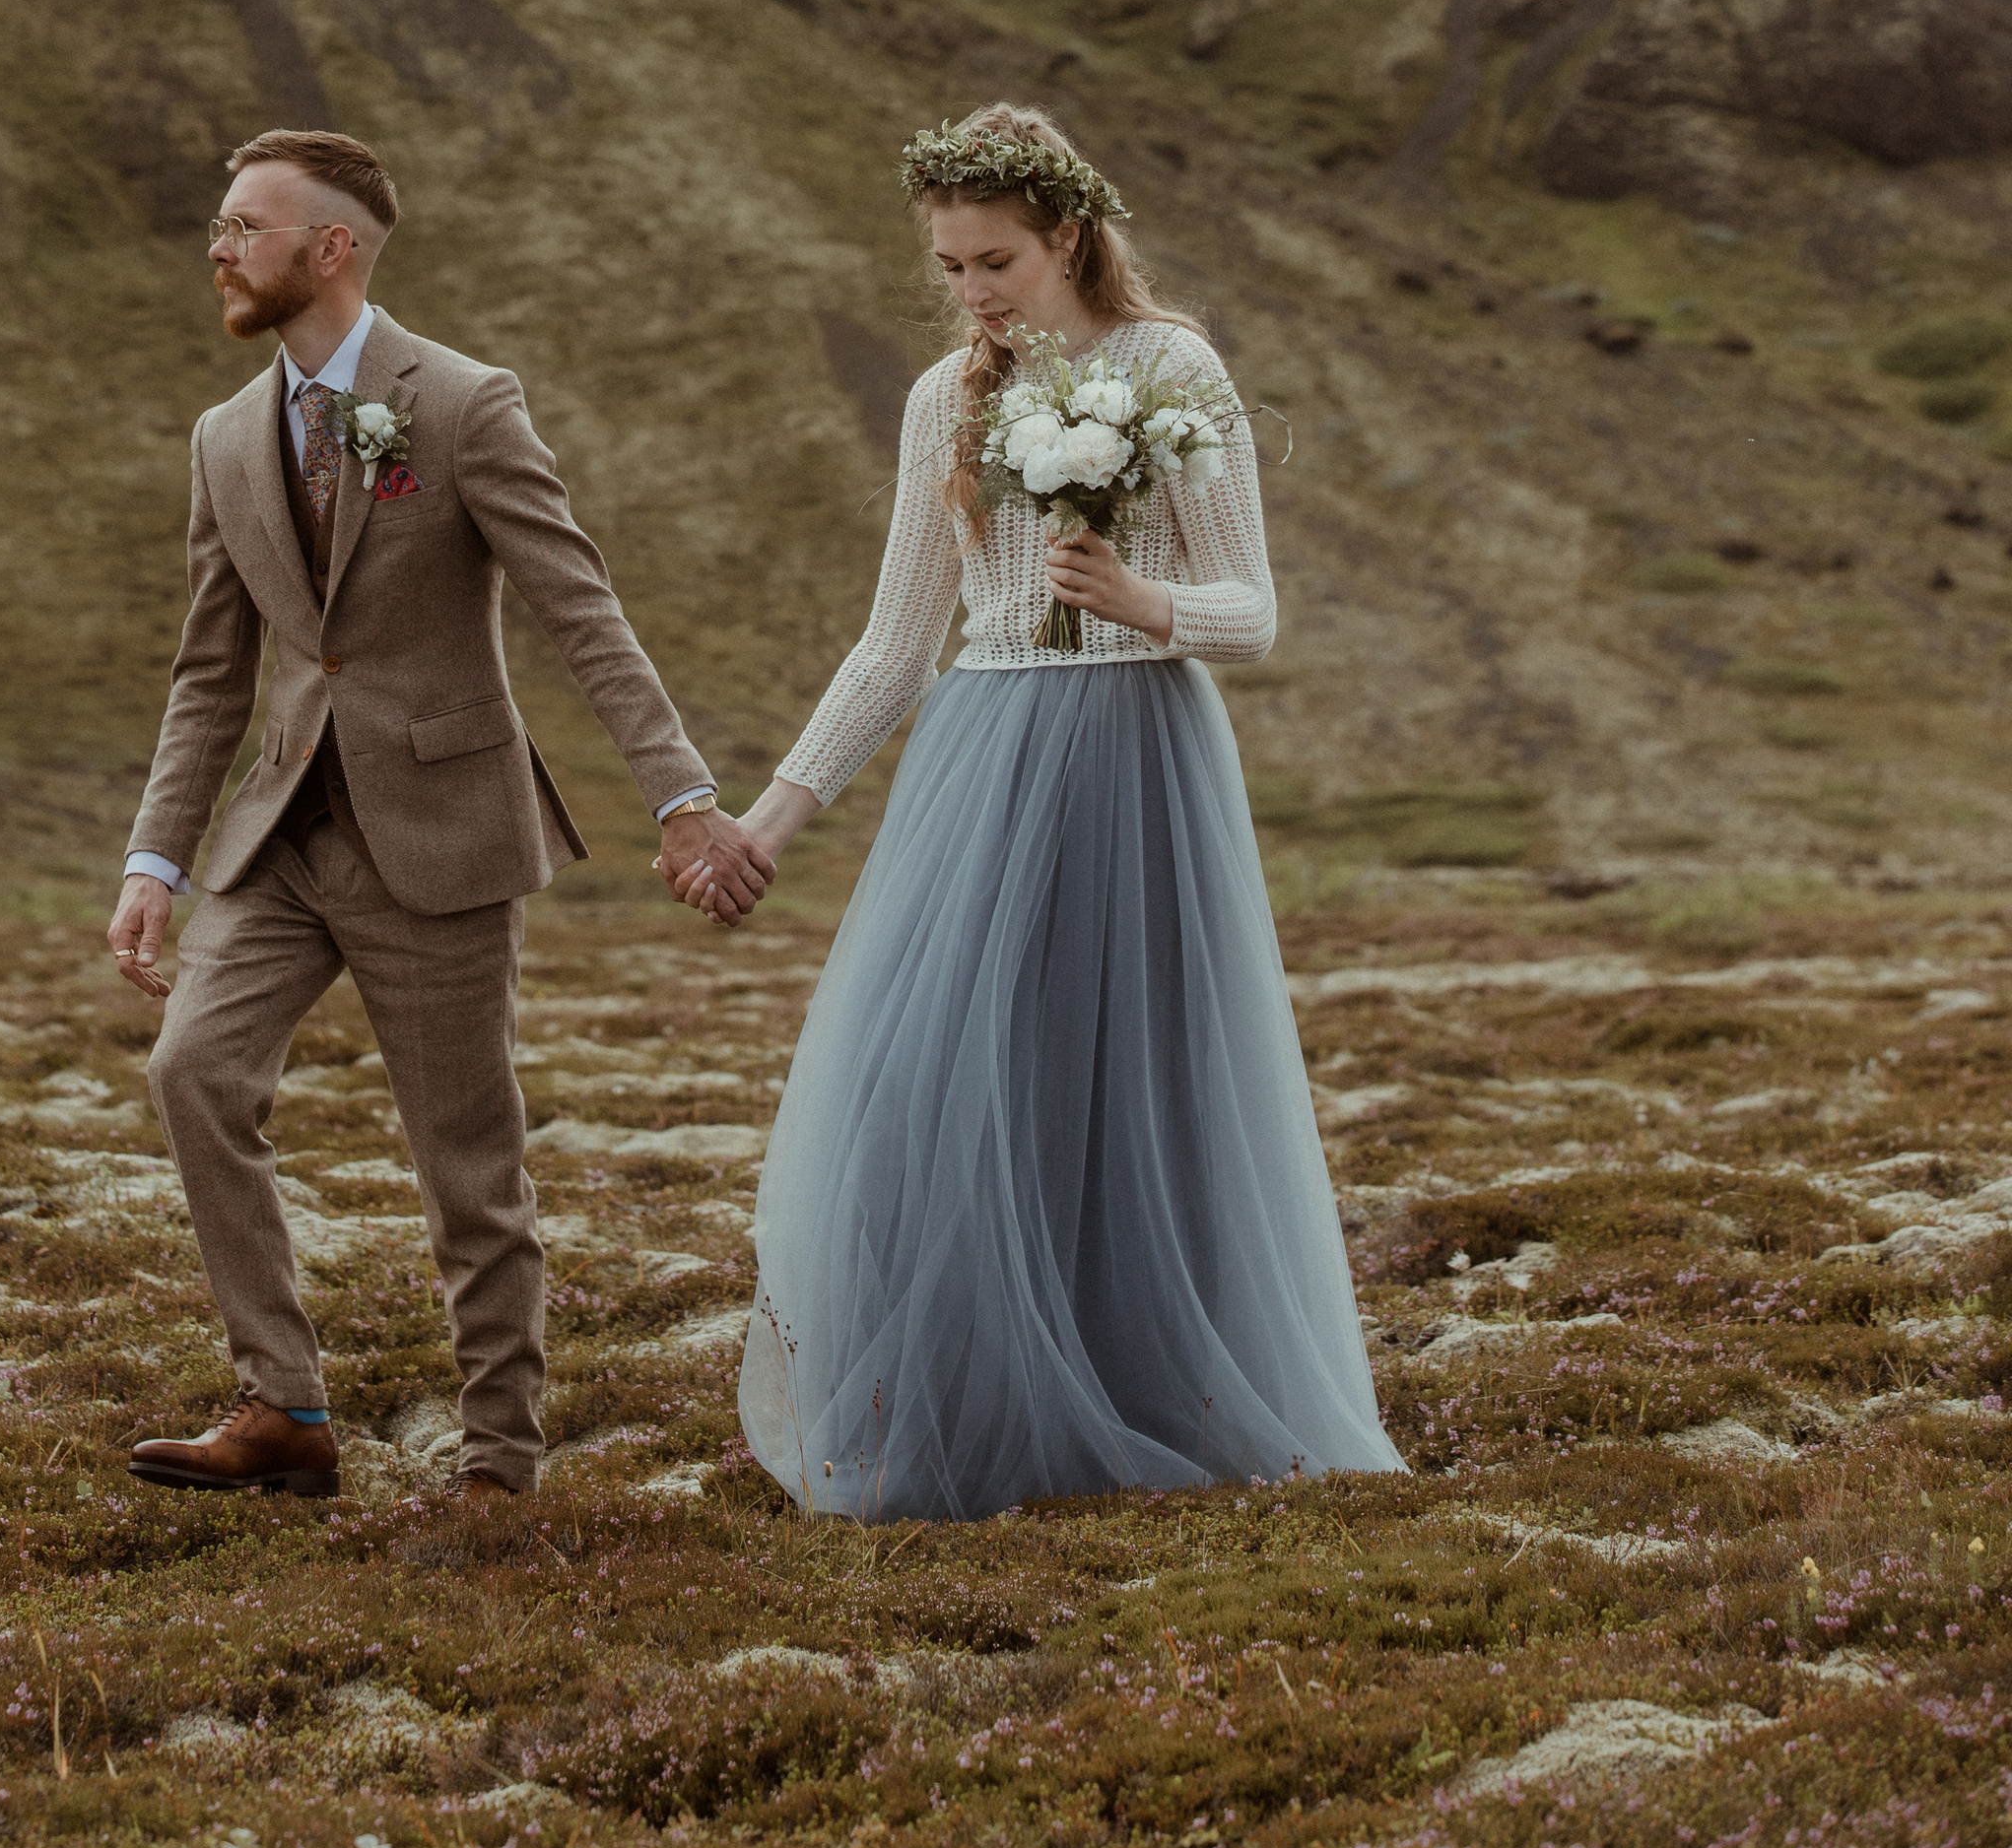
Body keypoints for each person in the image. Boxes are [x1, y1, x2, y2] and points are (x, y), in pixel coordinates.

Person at [700, 101, 1402, 1520]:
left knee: (1133, 1084)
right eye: (950, 266)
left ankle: (1152, 1396)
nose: (971, 293)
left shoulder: (1173, 366)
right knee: (942, 1089)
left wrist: (1148, 605)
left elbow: (1253, 610)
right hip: (983, 752)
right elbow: (896, 644)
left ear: (1069, 238)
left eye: (996, 263)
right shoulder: (936, 399)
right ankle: (955, 1409)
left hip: (1140, 755)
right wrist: (771, 821)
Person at [107, 125, 771, 1508]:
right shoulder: (224, 437)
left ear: (329, 246)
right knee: (191, 1072)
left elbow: (579, 610)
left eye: (246, 225)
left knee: (467, 1165)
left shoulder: (464, 403)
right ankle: (282, 1408)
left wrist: (685, 798)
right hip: (280, 837)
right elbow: (209, 672)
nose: (219, 248)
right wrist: (157, 857)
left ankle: (499, 1461)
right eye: (222, 225)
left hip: (446, 833)